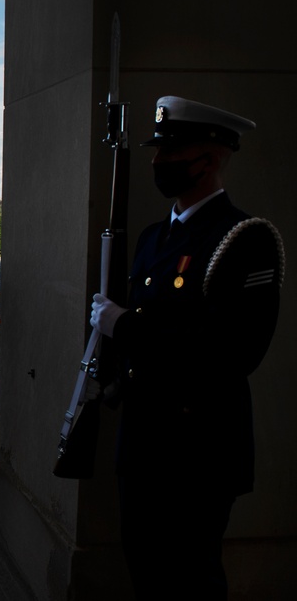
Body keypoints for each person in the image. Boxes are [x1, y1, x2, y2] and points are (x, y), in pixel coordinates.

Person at [90, 96, 284, 599]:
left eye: (174, 151)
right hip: (143, 440)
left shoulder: (245, 239)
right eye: (158, 151)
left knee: (190, 578)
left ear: (213, 157)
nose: (158, 161)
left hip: (198, 446)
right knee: (147, 570)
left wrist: (124, 326)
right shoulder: (153, 237)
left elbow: (233, 353)